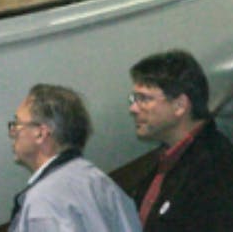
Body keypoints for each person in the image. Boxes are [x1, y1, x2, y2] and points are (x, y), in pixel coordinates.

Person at [128, 50, 233, 231]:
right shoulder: (168, 160)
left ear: (180, 105)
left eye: (144, 99)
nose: (134, 108)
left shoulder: (217, 171)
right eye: (134, 98)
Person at [8, 83, 141, 231]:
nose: (12, 132)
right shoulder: (101, 182)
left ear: (40, 133)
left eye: (17, 124)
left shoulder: (43, 203)